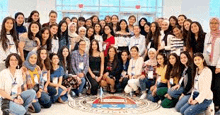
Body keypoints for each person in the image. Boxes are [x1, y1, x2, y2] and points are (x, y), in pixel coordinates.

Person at [203, 17, 220, 111]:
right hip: (208, 63)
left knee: (217, 86)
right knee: (210, 84)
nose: (213, 25)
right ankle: (211, 103)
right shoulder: (207, 35)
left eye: (215, 23)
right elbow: (205, 49)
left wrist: (219, 66)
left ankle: (217, 104)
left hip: (217, 65)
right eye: (211, 23)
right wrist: (204, 63)